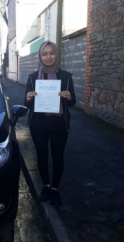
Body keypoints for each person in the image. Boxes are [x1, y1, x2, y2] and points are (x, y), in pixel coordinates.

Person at [24, 41, 76, 207]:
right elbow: (27, 103)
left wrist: (69, 97)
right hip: (38, 125)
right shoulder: (32, 78)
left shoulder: (66, 77)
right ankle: (46, 185)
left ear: (56, 54)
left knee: (57, 156)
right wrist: (28, 98)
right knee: (42, 156)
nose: (48, 57)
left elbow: (73, 102)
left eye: (51, 53)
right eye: (45, 54)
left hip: (59, 125)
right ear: (40, 55)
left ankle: (55, 188)